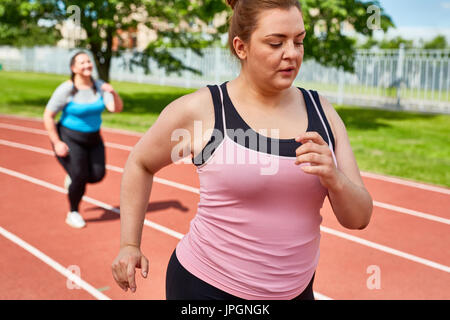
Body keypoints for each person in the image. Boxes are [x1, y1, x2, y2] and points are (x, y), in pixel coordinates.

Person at [111, 0, 373, 300]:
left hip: (296, 292)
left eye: (299, 41)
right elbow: (140, 162)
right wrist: (130, 244)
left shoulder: (321, 111)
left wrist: (335, 179)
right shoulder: (204, 109)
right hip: (207, 288)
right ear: (241, 47)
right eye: (276, 43)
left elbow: (359, 218)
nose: (292, 54)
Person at [43, 51, 123, 228]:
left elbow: (115, 109)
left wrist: (113, 93)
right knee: (80, 176)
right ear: (73, 68)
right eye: (82, 63)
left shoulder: (100, 86)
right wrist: (57, 143)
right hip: (69, 137)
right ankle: (73, 212)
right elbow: (48, 116)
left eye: (88, 61)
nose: (87, 65)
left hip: (93, 138)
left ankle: (73, 179)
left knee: (97, 175)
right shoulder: (66, 89)